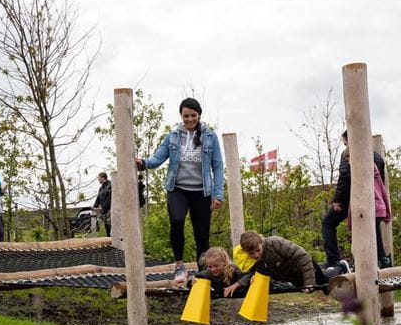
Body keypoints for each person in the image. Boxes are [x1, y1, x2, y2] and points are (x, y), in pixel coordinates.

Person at [137, 98, 225, 283]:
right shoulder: (173, 136)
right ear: (181, 116)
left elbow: (217, 166)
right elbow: (158, 158)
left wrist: (217, 193)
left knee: (201, 233)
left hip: (202, 192)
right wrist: (143, 163)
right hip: (178, 189)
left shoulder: (210, 136)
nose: (190, 119)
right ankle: (179, 265)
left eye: (193, 115)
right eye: (186, 116)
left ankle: (203, 271)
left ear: (199, 115)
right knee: (176, 221)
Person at [322, 130, 389, 270]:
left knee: (328, 222)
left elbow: (345, 177)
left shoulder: (349, 153)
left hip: (353, 199)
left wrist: (337, 199)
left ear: (350, 140)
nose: (345, 144)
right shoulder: (377, 157)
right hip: (375, 202)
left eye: (345, 142)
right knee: (373, 227)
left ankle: (334, 260)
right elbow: (381, 183)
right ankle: (383, 260)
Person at [240, 231, 345, 292]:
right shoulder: (251, 260)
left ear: (261, 242)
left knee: (325, 285)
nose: (256, 255)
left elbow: (304, 256)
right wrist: (255, 277)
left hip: (305, 268)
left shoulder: (275, 243)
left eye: (258, 250)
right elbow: (261, 272)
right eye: (251, 253)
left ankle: (341, 267)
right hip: (293, 277)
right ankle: (332, 269)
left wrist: (309, 283)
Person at [93, 172, 112, 236]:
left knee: (110, 226)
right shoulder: (101, 188)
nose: (98, 179)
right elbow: (98, 198)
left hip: (110, 209)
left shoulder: (110, 186)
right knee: (106, 226)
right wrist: (94, 207)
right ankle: (108, 238)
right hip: (104, 211)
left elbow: (109, 199)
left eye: (99, 178)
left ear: (103, 178)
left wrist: (103, 207)